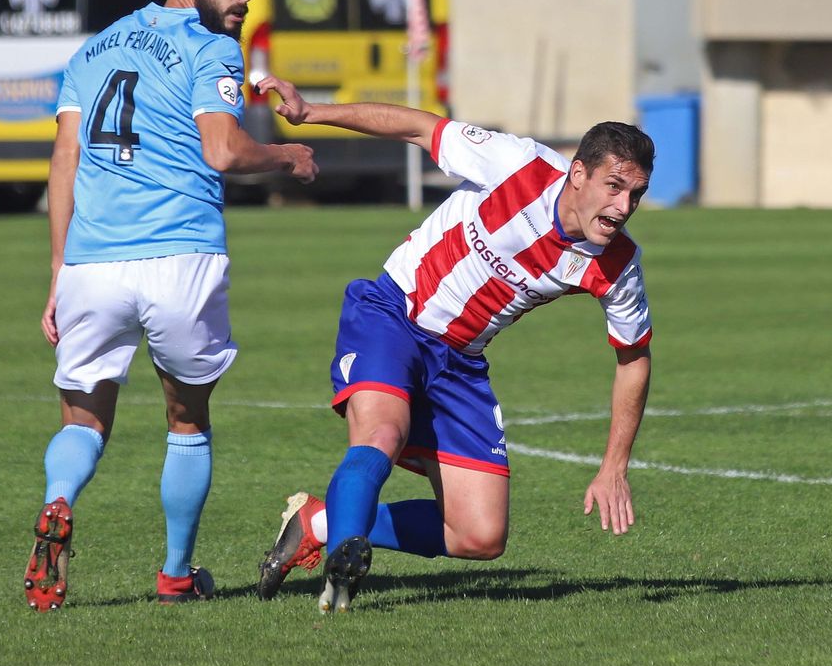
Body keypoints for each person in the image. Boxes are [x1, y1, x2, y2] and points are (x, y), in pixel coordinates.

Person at [251, 78, 654, 611]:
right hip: (395, 314)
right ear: (578, 174)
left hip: (460, 362)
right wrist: (313, 112)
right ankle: (343, 568)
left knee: (480, 535)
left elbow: (633, 359)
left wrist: (614, 467)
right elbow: (418, 127)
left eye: (635, 195)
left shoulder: (618, 264)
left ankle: (318, 523)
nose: (623, 207)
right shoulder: (517, 165)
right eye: (614, 187)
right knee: (382, 434)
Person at [23, 0, 318, 612]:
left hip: (93, 263)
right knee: (187, 421)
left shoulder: (93, 50)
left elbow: (64, 160)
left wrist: (59, 269)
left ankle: (58, 501)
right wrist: (286, 154)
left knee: (82, 421)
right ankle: (177, 574)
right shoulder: (211, 48)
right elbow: (222, 150)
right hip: (181, 256)